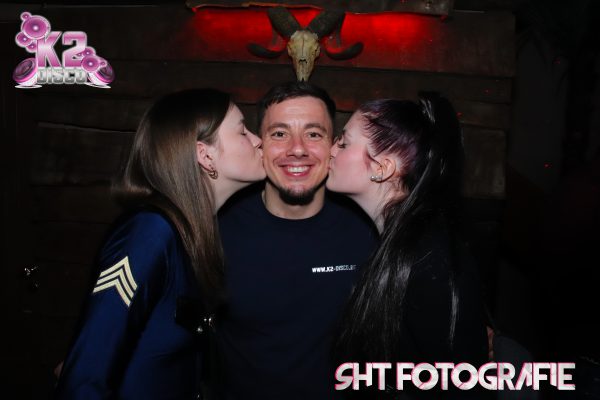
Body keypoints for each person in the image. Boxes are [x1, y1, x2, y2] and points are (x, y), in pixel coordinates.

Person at [54, 88, 265, 399]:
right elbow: (85, 375)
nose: (258, 140)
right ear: (205, 155)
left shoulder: (193, 233)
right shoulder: (150, 232)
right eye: (243, 131)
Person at [217, 82, 378, 400]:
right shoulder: (218, 226)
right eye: (279, 134)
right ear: (259, 144)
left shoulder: (367, 228)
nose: (298, 149)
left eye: (314, 134)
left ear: (334, 145)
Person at [328, 94, 489, 398]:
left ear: (382, 168)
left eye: (344, 143)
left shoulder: (428, 257)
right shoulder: (400, 239)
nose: (331, 150)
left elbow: (461, 385)